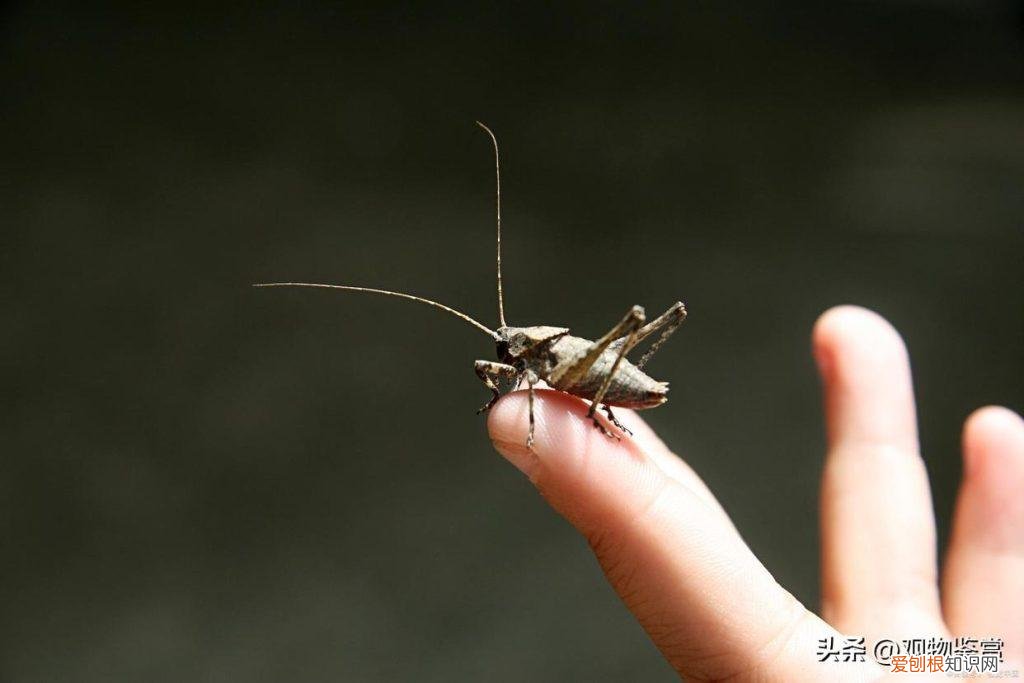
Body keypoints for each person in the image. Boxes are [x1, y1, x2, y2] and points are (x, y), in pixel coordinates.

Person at [486, 305, 1023, 680]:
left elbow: (534, 390)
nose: (506, 358)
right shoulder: (527, 359)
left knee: (588, 359)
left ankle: (601, 407)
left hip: (601, 382)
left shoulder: (547, 363)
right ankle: (599, 408)